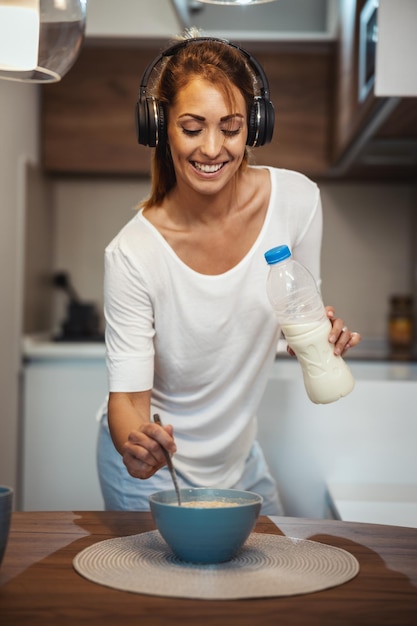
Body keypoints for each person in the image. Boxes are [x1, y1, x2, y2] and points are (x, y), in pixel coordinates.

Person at [97, 33, 361, 515]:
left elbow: (297, 319)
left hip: (240, 460)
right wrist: (135, 446)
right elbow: (128, 400)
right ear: (160, 128)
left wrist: (323, 340)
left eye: (231, 127)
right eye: (193, 128)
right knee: (157, 591)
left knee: (278, 579)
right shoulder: (133, 254)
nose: (213, 148)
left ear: (254, 128)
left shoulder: (297, 202)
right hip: (159, 470)